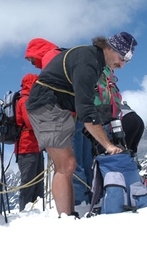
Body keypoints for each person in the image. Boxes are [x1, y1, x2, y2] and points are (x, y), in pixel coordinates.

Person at [26, 32, 138, 217]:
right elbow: (86, 108)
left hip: (55, 107)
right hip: (47, 106)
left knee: (68, 165)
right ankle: (66, 217)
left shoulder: (93, 59)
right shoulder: (88, 62)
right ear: (109, 48)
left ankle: (69, 215)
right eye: (121, 57)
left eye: (127, 60)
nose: (122, 64)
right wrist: (108, 145)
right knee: (65, 165)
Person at [24, 38, 93, 206]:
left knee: (67, 165)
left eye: (32, 59)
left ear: (38, 51)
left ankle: (77, 203)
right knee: (85, 160)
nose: (32, 64)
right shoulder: (64, 55)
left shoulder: (50, 58)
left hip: (67, 116)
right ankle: (90, 198)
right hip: (81, 113)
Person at [15, 73, 44, 211]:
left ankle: (34, 210)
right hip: (27, 147)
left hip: (33, 147)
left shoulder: (27, 100)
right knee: (29, 182)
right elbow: (31, 123)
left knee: (36, 181)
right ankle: (24, 211)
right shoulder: (26, 101)